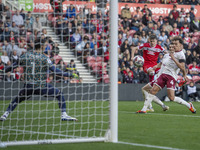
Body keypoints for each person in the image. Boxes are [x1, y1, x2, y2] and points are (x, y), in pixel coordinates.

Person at [0, 40, 78, 121]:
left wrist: (2, 71)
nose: (45, 47)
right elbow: (55, 71)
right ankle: (64, 115)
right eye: (44, 45)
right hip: (41, 86)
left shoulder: (25, 56)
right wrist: (69, 74)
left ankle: (5, 114)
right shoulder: (44, 58)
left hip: (28, 86)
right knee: (59, 93)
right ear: (41, 47)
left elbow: (12, 66)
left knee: (17, 100)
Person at [137, 37, 196, 114]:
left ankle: (189, 105)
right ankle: (144, 109)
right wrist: (155, 67)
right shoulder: (168, 54)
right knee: (152, 90)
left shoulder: (181, 55)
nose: (174, 46)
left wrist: (174, 59)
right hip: (163, 75)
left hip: (171, 77)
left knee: (171, 97)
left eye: (176, 44)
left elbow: (182, 67)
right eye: (173, 44)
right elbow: (161, 63)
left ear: (181, 45)